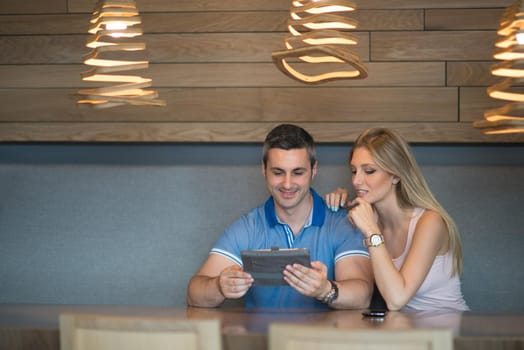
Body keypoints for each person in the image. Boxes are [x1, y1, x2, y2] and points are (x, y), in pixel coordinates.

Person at [187, 124, 373, 309]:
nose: (287, 183)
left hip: (321, 338)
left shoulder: (341, 223)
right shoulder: (248, 227)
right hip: (261, 338)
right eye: (278, 172)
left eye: (298, 172)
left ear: (313, 170)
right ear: (264, 170)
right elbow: (194, 293)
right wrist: (219, 286)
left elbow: (362, 295)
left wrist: (325, 290)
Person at [325, 127, 469, 311]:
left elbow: (396, 299)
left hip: (446, 332)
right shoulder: (367, 218)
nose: (356, 181)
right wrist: (337, 207)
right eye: (354, 171)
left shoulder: (430, 222)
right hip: (401, 332)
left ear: (395, 175)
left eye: (369, 171)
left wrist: (371, 231)